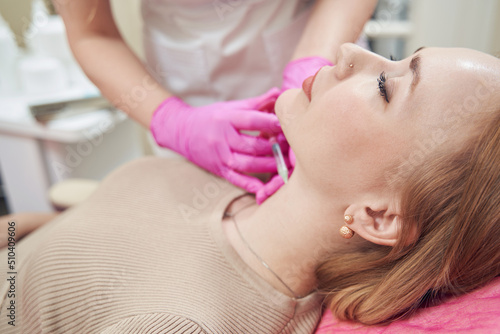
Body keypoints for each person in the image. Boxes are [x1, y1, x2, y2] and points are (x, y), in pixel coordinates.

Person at [1, 43, 499, 333]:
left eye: (385, 87)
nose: (348, 52)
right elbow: (66, 241)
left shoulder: (181, 323)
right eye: (391, 56)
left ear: (380, 216)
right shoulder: (217, 184)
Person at [53, 0, 377, 196]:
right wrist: (172, 121)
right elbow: (91, 33)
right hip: (185, 85)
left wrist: (312, 64)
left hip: (317, 37)